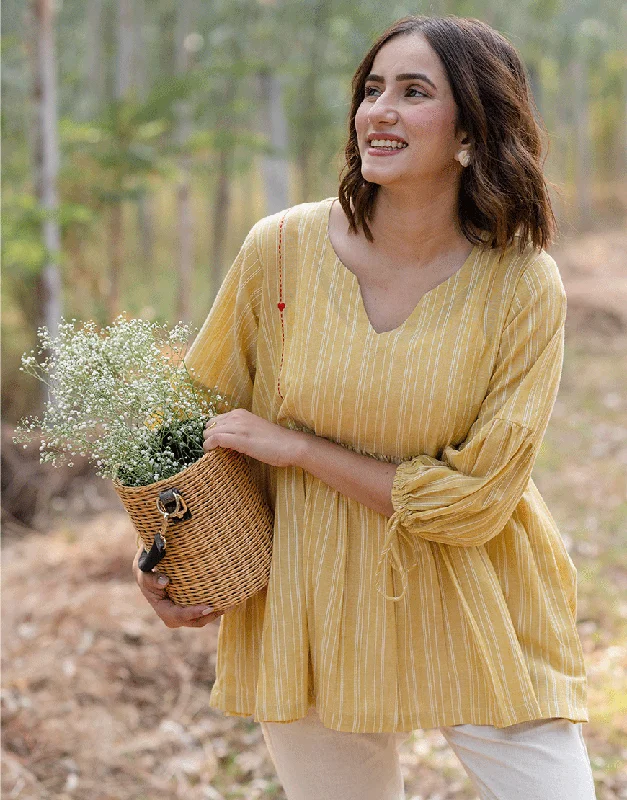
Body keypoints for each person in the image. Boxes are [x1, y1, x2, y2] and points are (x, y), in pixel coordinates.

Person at [133, 14, 597, 800]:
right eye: (371, 89)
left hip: (477, 597)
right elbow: (188, 430)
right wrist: (166, 559)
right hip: (309, 601)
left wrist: (302, 449)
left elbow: (476, 501)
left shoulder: (522, 285)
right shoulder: (278, 250)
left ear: (470, 133)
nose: (378, 110)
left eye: (413, 92)